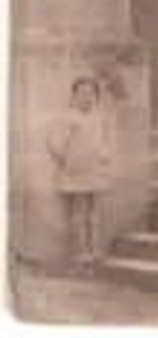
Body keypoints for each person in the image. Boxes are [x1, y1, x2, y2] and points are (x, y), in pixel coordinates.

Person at [46, 77, 112, 265]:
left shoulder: (99, 118)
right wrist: (65, 159)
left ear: (96, 97)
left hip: (95, 170)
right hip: (76, 172)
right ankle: (80, 252)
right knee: (78, 213)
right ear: (74, 96)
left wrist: (104, 155)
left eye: (91, 94)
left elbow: (103, 141)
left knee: (95, 213)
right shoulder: (68, 118)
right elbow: (54, 142)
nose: (86, 98)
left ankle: (95, 249)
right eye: (82, 93)